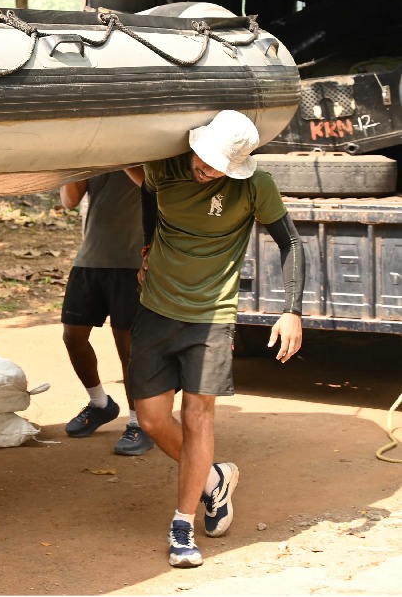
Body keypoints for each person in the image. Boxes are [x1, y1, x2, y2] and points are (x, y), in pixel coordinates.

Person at [133, 110, 304, 568]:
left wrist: (291, 312)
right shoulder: (164, 167)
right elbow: (150, 201)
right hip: (156, 307)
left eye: (217, 168)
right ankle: (214, 478)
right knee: (150, 419)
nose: (206, 171)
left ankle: (183, 526)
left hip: (211, 315)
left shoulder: (254, 186)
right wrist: (147, 246)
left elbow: (290, 242)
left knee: (197, 416)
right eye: (204, 161)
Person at [58, 170, 152, 455]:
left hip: (133, 261)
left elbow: (151, 187)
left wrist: (119, 159)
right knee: (73, 335)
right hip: (91, 258)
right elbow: (70, 201)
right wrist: (73, 163)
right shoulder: (93, 155)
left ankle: (140, 423)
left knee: (128, 346)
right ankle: (100, 404)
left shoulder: (144, 153)